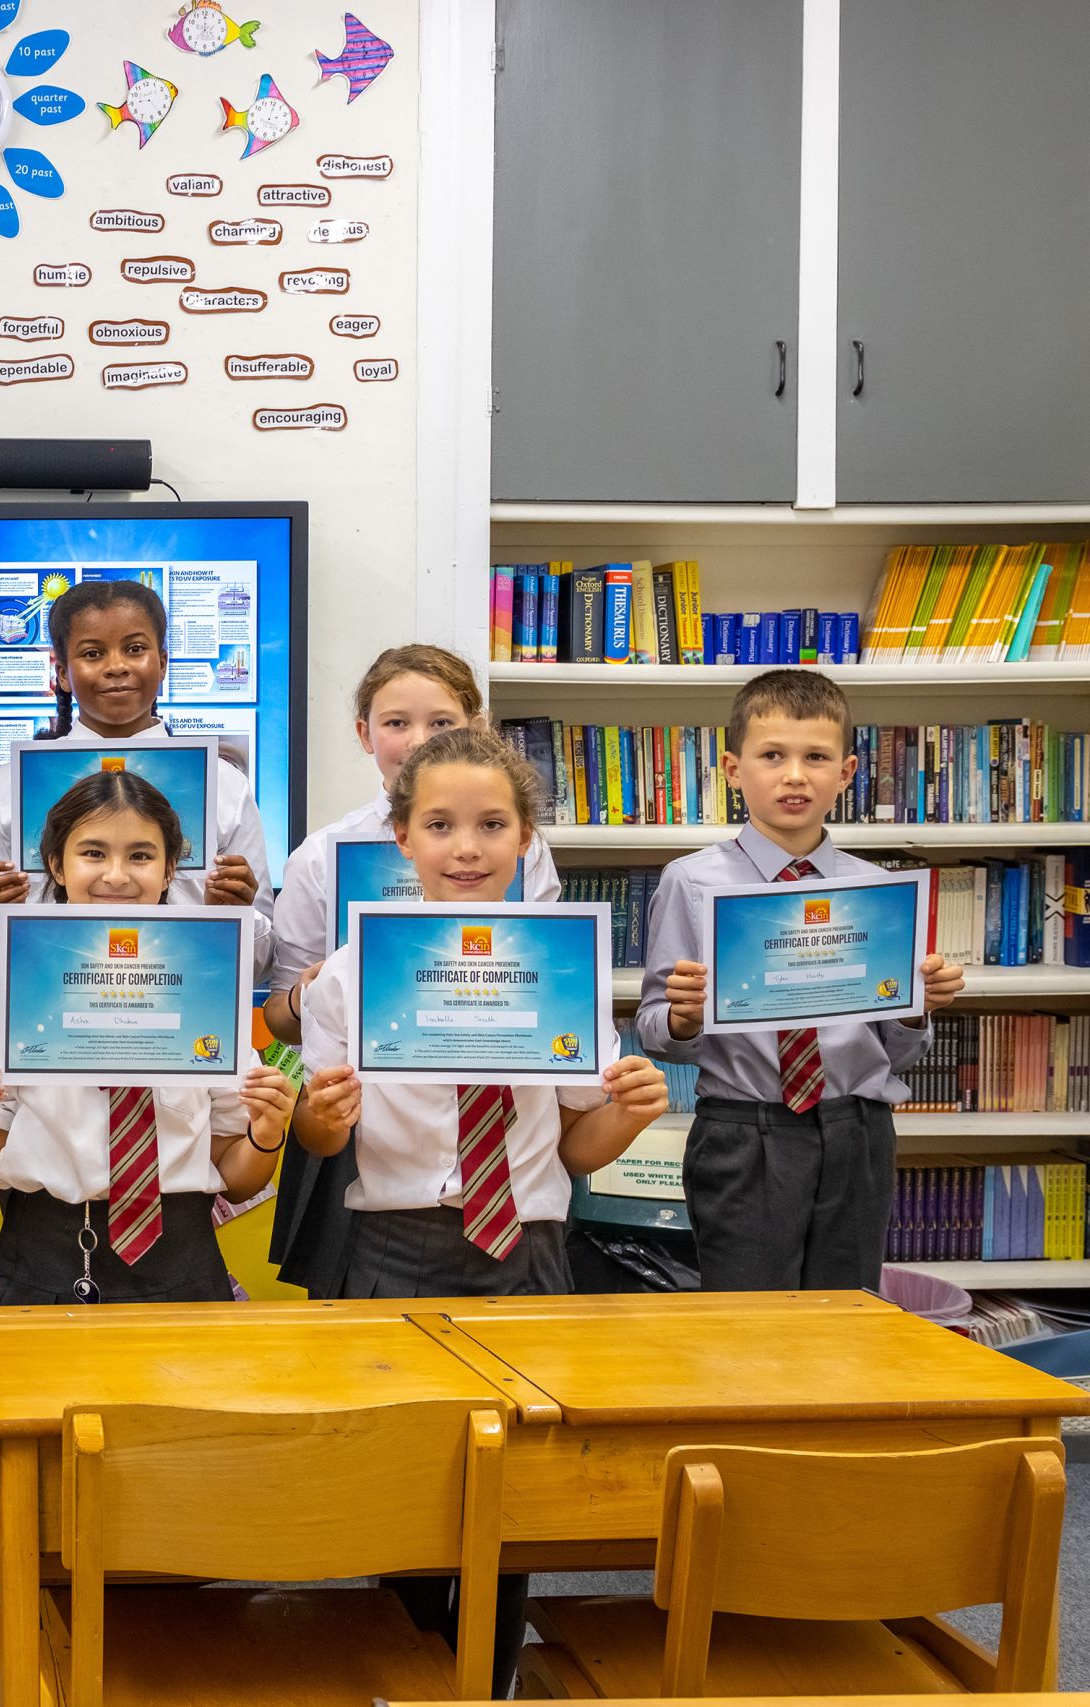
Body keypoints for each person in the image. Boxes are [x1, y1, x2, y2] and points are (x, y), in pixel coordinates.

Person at [295, 723, 668, 1693]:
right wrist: (319, 1118)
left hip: (527, 1254)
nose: (466, 846)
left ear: (525, 841)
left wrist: (624, 1119)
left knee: (514, 1502)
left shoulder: (562, 966)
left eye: (491, 824)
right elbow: (326, 1147)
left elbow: (573, 1143)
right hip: (397, 1253)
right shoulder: (347, 974)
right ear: (402, 837)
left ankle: (491, 1680)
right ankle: (408, 1670)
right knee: (410, 1494)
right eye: (441, 824)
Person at [638, 668, 963, 1290]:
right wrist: (682, 1017)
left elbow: (898, 1053)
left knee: (848, 1317)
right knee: (747, 1322)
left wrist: (915, 1009)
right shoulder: (692, 881)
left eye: (816, 757)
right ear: (734, 769)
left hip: (857, 1129)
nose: (794, 775)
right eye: (772, 756)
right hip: (744, 1131)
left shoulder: (877, 891)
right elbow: (655, 1029)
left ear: (846, 773)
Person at [262, 644, 561, 1296]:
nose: (417, 738)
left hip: (494, 1099)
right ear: (366, 732)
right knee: (362, 1293)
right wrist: (319, 989)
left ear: (476, 725)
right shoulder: (322, 855)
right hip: (368, 1113)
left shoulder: (523, 854)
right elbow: (280, 1014)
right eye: (397, 721)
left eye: (442, 722)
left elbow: (545, 969)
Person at [0, 770, 295, 1303]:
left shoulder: (208, 989)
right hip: (42, 1262)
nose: (116, 875)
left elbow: (238, 1175)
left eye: (140, 855)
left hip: (183, 1262)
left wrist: (266, 1131)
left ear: (171, 869)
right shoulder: (18, 992)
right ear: (57, 867)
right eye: (92, 853)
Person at [0, 577, 270, 986]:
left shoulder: (226, 785)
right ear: (62, 673)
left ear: (163, 662)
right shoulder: (7, 786)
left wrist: (233, 915)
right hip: (51, 1010)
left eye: (135, 649)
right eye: (92, 653)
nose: (116, 665)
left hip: (183, 1007)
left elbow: (261, 965)